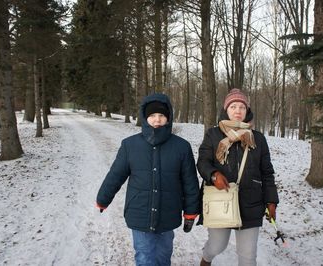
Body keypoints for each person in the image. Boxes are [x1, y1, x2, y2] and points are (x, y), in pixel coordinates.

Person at [96, 93, 200, 266]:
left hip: (168, 214)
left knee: (163, 256)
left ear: (168, 118)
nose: (157, 120)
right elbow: (116, 175)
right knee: (145, 257)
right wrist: (103, 199)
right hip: (140, 212)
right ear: (145, 118)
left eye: (161, 115)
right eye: (152, 116)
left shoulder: (182, 147)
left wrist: (190, 212)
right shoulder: (130, 145)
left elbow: (190, 182)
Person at [197, 88, 279, 266]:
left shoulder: (258, 138)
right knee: (217, 245)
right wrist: (213, 175)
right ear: (226, 109)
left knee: (248, 256)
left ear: (247, 111)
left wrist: (271, 201)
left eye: (242, 107)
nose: (237, 110)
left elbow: (267, 172)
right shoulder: (213, 135)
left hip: (251, 202)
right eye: (233, 106)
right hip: (221, 200)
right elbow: (202, 162)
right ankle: (206, 258)